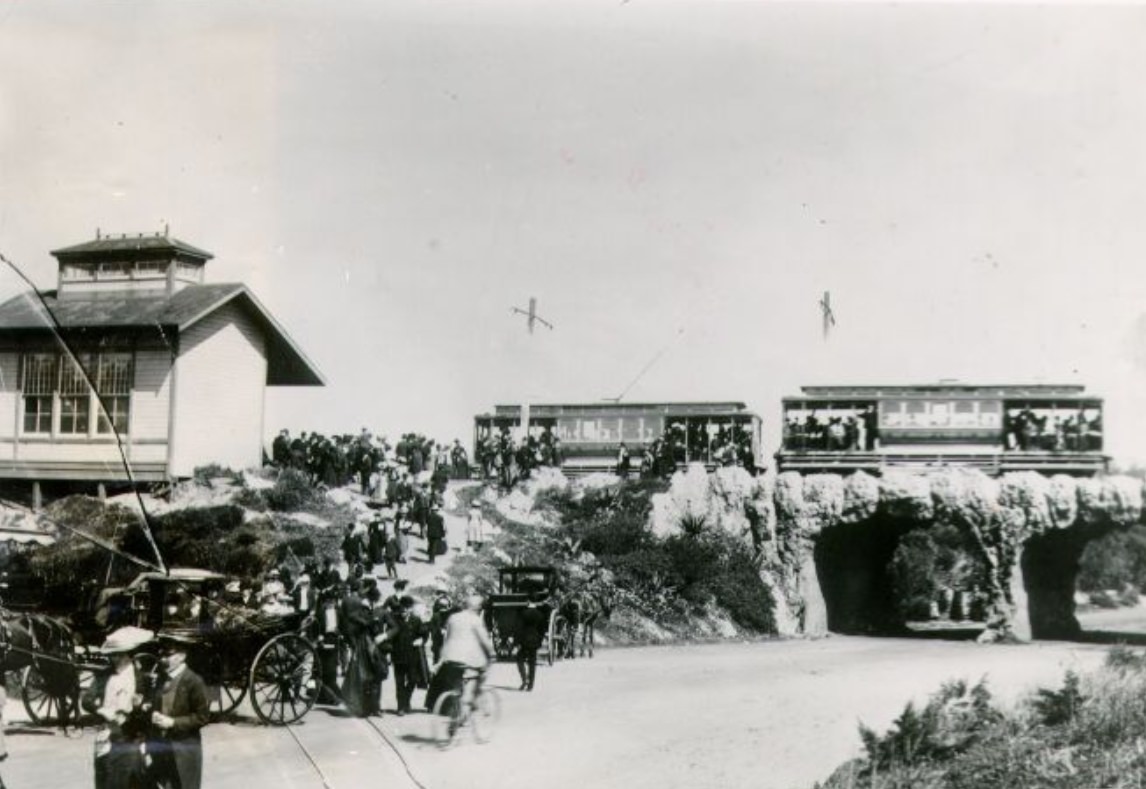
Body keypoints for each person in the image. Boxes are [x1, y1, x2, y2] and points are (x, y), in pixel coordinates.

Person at [146, 635, 209, 789]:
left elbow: (202, 717)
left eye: (169, 654)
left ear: (182, 656)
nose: (163, 659)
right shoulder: (160, 679)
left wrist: (173, 722)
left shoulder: (194, 681)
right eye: (161, 654)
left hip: (183, 752)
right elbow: (156, 706)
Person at [93, 626, 152, 789]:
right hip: (107, 734)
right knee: (105, 776)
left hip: (130, 737)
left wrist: (140, 706)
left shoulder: (140, 679)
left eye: (119, 655)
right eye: (112, 655)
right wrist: (101, 708)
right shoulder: (104, 675)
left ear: (128, 655)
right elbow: (87, 700)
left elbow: (148, 708)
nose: (115, 659)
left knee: (129, 778)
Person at [425, 593, 495, 711]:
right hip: (468, 660)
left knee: (454, 685)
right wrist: (492, 654)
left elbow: (448, 638)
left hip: (450, 657)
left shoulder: (454, 618)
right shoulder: (475, 619)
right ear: (477, 607)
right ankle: (467, 705)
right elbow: (484, 640)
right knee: (477, 677)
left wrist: (442, 659)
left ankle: (452, 707)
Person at [381, 596, 428, 715]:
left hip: (413, 656)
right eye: (402, 608)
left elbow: (424, 633)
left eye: (407, 608)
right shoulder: (393, 620)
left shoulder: (416, 620)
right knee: (399, 682)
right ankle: (401, 707)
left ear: (411, 609)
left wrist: (421, 640)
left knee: (413, 679)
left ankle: (406, 700)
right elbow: (389, 638)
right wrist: (387, 653)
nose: (404, 611)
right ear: (399, 608)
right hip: (398, 655)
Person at [516, 593, 547, 692]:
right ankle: (530, 685)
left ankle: (524, 679)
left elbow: (519, 629)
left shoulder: (523, 613)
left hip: (524, 641)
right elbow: (542, 630)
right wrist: (539, 641)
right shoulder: (540, 614)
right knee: (532, 663)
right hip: (535, 641)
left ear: (528, 601)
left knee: (519, 659)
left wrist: (518, 641)